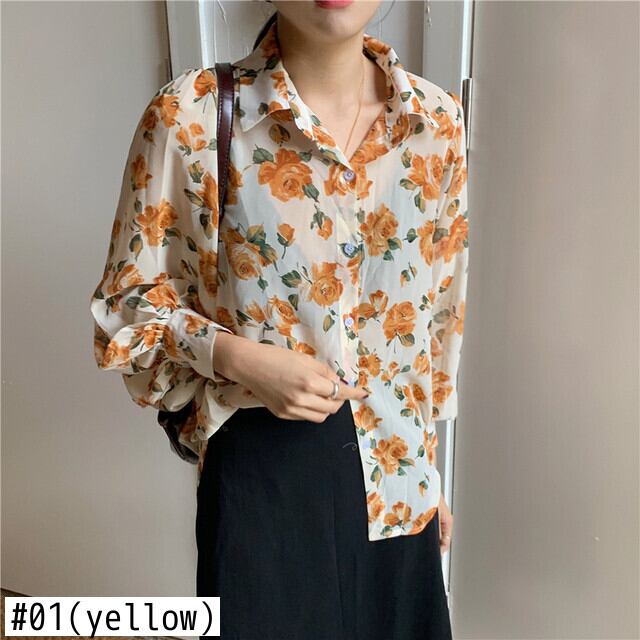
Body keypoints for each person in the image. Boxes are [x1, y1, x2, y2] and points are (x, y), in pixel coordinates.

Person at [90, 1, 468, 638]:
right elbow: (125, 305)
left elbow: (437, 316)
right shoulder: (193, 116)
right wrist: (237, 358)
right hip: (263, 479)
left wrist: (427, 471)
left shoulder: (436, 125)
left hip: (396, 476)